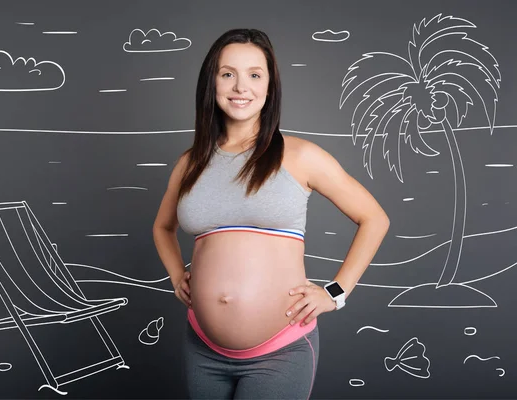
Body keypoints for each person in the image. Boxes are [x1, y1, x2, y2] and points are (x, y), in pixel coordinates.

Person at [152, 28, 390, 400]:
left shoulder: (299, 155)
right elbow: (162, 227)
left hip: (280, 351)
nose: (240, 86)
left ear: (269, 86)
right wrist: (176, 275)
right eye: (227, 73)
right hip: (200, 347)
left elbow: (374, 218)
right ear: (211, 83)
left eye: (254, 74)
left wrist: (336, 292)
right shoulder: (190, 163)